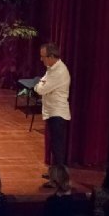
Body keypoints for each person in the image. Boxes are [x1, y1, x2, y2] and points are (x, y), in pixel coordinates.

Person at [34, 42, 71, 184]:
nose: (41, 59)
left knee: (58, 149)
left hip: (58, 114)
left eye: (43, 56)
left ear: (51, 56)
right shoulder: (51, 68)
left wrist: (40, 86)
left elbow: (41, 89)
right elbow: (42, 82)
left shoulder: (60, 71)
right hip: (51, 112)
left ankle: (59, 179)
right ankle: (54, 174)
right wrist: (41, 84)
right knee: (54, 146)